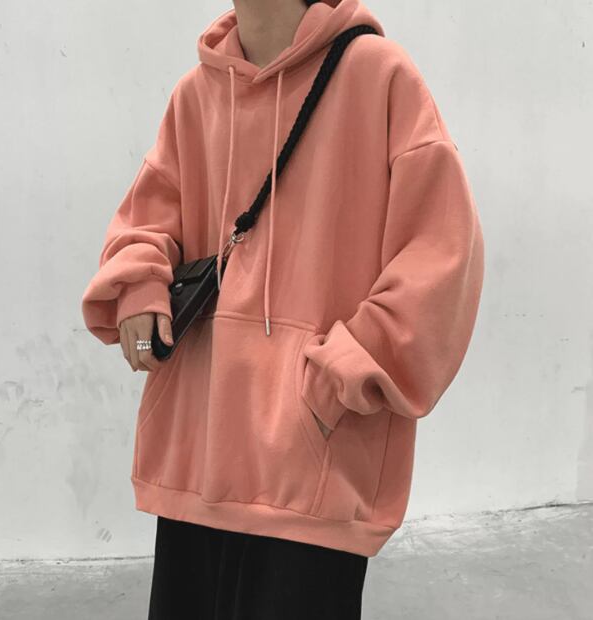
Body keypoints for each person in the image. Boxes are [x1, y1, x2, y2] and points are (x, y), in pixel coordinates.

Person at [80, 0, 485, 617]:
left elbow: (444, 255)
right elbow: (144, 223)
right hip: (200, 457)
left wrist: (341, 374)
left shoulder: (379, 76)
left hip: (313, 474)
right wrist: (138, 287)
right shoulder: (196, 95)